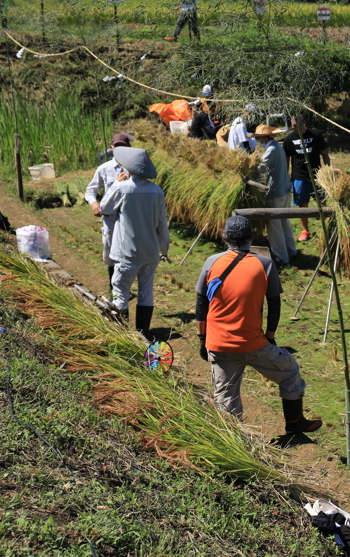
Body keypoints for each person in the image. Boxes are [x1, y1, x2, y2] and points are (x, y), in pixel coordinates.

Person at [195, 215, 322, 435]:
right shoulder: (265, 263)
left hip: (218, 344)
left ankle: (232, 444)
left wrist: (201, 338)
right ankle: (294, 423)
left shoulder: (211, 262)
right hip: (254, 344)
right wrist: (270, 336)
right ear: (251, 237)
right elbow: (274, 303)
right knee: (290, 372)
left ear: (224, 237)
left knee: (226, 399)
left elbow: (201, 303)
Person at [100, 146, 170, 341]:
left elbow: (105, 208)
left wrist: (115, 184)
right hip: (150, 252)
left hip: (127, 252)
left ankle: (123, 335)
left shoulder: (124, 188)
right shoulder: (157, 191)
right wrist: (163, 248)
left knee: (120, 291)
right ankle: (143, 334)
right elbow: (162, 223)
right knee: (146, 292)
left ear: (129, 169)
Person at [85, 133, 133, 295]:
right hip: (110, 216)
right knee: (110, 248)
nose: (119, 150)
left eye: (123, 147)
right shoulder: (104, 169)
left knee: (128, 250)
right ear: (111, 148)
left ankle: (123, 287)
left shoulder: (134, 168)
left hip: (129, 216)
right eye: (116, 146)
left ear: (129, 149)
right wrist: (94, 203)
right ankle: (113, 286)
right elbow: (91, 190)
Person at [251, 124, 297, 266]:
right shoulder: (277, 146)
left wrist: (249, 168)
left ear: (265, 137)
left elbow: (260, 167)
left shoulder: (271, 149)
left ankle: (281, 257)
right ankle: (291, 251)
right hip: (284, 190)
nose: (259, 140)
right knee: (284, 223)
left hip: (276, 192)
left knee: (274, 225)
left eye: (259, 138)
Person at [283, 115, 331, 242]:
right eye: (293, 126)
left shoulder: (315, 135)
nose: (295, 128)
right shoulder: (289, 139)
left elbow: (324, 153)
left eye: (298, 125)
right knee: (303, 205)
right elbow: (287, 159)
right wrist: (286, 175)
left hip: (317, 175)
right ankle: (305, 230)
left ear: (304, 123)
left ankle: (327, 227)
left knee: (322, 201)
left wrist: (327, 172)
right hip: (299, 176)